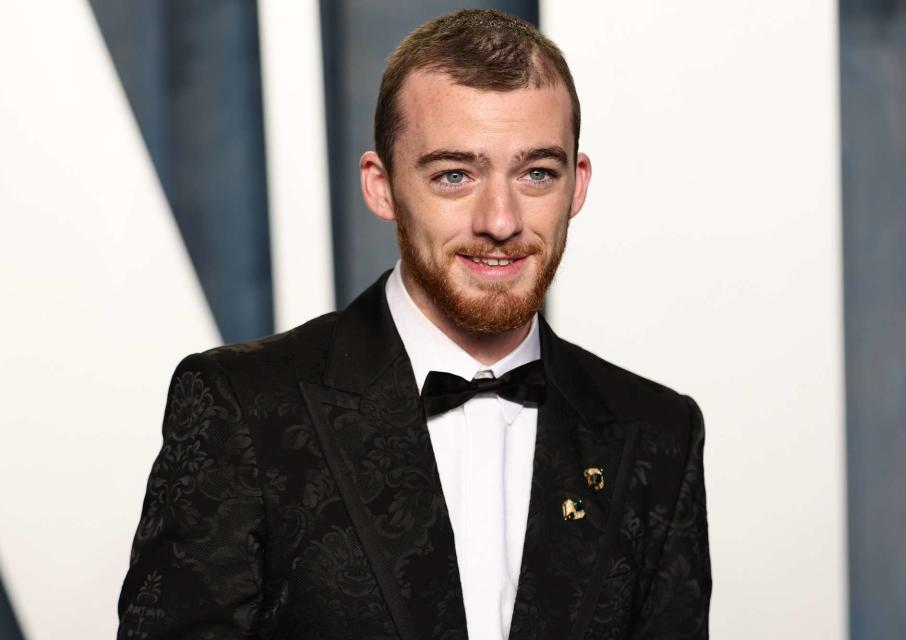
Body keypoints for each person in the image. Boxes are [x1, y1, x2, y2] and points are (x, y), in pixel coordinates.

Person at [117, 8, 710, 639]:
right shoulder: (244, 406)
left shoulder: (658, 436)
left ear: (577, 185)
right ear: (382, 186)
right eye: (455, 175)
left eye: (537, 173)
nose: (501, 220)